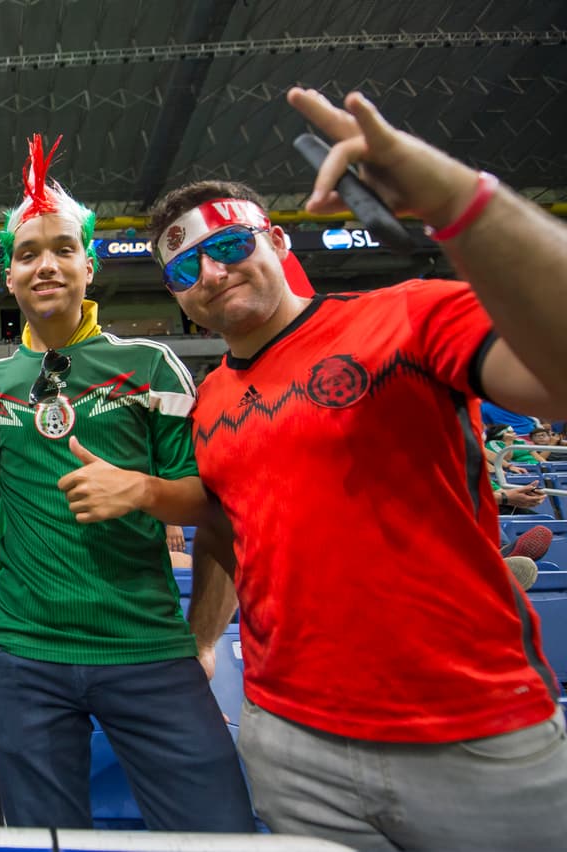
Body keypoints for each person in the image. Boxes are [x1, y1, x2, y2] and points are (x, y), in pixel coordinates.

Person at [88, 88, 567, 848]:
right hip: (291, 743)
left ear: (276, 240)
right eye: (185, 268)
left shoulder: (405, 314)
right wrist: (198, 625)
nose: (210, 274)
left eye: (227, 246)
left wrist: (459, 201)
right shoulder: (209, 399)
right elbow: (226, 525)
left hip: (475, 735)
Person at [0, 136, 253, 831]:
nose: (46, 264)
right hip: (25, 657)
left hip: (148, 649)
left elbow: (216, 506)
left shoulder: (153, 366)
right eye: (28, 253)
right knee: (44, 842)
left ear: (88, 266)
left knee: (219, 833)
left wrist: (143, 493)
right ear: (10, 277)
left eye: (63, 248)